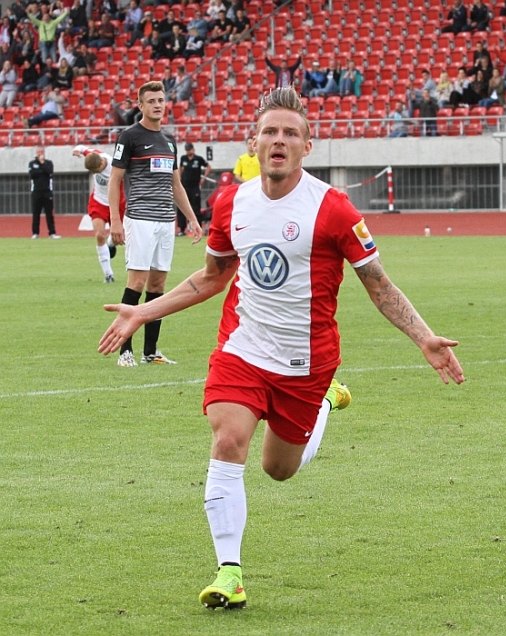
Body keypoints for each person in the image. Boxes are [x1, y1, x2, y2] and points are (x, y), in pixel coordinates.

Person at [96, 87, 465, 610]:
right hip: (242, 348)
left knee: (278, 470)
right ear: (253, 142)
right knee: (227, 440)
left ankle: (323, 402)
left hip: (306, 360)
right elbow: (212, 277)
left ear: (306, 147)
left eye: (291, 133)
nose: (279, 140)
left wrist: (423, 335)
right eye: (270, 131)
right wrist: (143, 311)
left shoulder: (333, 209)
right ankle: (230, 573)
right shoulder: (232, 201)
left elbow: (378, 284)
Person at [107, 80, 203, 368]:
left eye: (161, 100)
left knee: (158, 285)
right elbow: (114, 180)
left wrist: (192, 219)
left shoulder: (170, 140)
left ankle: (151, 351)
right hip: (139, 219)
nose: (158, 105)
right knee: (136, 282)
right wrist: (115, 219)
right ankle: (126, 351)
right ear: (141, 105)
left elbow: (176, 185)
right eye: (151, 101)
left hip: (165, 222)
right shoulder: (129, 137)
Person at [73, 144, 124, 282]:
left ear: (102, 163)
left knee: (120, 238)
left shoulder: (115, 165)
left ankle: (110, 244)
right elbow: (82, 147)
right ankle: (108, 275)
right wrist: (76, 150)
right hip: (98, 202)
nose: (96, 173)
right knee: (99, 235)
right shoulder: (93, 155)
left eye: (97, 170)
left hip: (117, 202)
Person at [178, 142, 211, 236]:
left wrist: (203, 178)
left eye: (190, 149)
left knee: (196, 207)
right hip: (185, 186)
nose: (188, 151)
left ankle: (198, 227)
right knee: (181, 207)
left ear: (193, 149)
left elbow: (208, 167)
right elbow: (180, 168)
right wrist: (179, 178)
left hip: (195, 186)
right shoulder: (183, 158)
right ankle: (181, 229)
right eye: (187, 150)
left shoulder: (198, 159)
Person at [28, 145, 60, 239]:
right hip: (36, 192)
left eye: (41, 152)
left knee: (49, 214)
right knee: (36, 214)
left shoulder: (48, 163)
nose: (40, 153)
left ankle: (52, 233)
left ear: (44, 152)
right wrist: (41, 171)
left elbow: (49, 171)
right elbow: (32, 174)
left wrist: (42, 164)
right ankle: (35, 233)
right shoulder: (32, 163)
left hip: (47, 192)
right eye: (38, 152)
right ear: (36, 153)